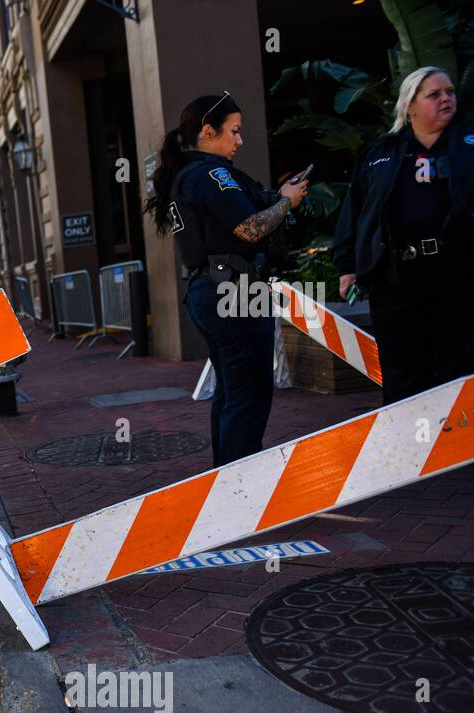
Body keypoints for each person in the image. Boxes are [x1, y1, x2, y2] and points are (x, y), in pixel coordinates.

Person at [144, 92, 308, 467]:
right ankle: (241, 488)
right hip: (234, 291)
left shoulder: (185, 175)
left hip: (212, 290)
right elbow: (250, 228)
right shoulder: (209, 175)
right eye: (234, 131)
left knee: (233, 395)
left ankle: (226, 481)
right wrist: (286, 202)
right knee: (248, 397)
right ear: (207, 131)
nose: (239, 140)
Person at [333, 66, 474, 405]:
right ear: (410, 106)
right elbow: (356, 211)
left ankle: (460, 454)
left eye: (450, 92)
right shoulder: (381, 153)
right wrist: (347, 264)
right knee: (403, 374)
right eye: (434, 94)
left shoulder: (469, 144)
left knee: (460, 370)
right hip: (397, 279)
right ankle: (410, 452)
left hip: (459, 274)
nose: (446, 98)